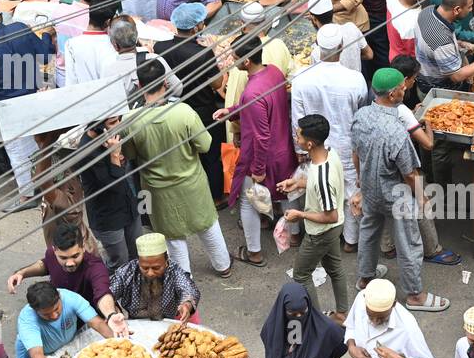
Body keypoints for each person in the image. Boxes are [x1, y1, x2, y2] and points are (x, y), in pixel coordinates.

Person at [350, 69, 449, 311]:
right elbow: (409, 174)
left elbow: (356, 152)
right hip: (395, 194)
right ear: (393, 93)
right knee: (409, 242)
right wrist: (423, 198)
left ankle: (365, 278)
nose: (405, 89)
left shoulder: (361, 116)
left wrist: (361, 183)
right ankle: (415, 295)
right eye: (402, 88)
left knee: (369, 230)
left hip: (371, 189)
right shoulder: (396, 132)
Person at [128, 60, 234, 278]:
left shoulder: (132, 120)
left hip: (157, 189)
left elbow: (130, 155)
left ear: (140, 86)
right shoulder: (184, 112)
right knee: (207, 224)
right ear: (165, 83)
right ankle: (223, 266)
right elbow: (204, 145)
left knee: (172, 236)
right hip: (191, 182)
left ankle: (184, 278)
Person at [0, 0, 56, 212]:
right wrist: (46, 34)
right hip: (33, 100)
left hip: (8, 108)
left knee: (17, 152)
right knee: (39, 144)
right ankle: (47, 185)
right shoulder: (20, 28)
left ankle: (27, 196)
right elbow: (45, 56)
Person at [289, 25, 366, 252]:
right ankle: (351, 241)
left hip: (316, 147)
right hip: (346, 144)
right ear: (342, 47)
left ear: (317, 48)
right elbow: (359, 114)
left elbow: (298, 120)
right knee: (350, 190)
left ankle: (319, 235)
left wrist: (301, 150)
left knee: (317, 187)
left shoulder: (302, 80)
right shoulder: (355, 79)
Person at [222, 39, 296, 268]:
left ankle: (254, 253)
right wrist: (232, 111)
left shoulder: (251, 91)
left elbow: (261, 136)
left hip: (264, 154)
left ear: (246, 61)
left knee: (247, 202)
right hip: (284, 147)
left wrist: (258, 170)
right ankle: (295, 235)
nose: (231, 61)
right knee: (288, 193)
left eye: (234, 57)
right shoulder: (273, 72)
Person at [153, 2, 227, 205]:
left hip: (173, 109)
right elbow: (218, 83)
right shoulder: (202, 54)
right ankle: (216, 197)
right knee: (210, 154)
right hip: (202, 110)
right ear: (196, 26)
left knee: (181, 155)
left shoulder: (160, 47)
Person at [281, 114, 351, 320]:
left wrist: (299, 214)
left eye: (299, 136)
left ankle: (316, 320)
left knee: (301, 275)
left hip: (321, 232)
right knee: (335, 269)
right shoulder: (329, 154)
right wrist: (296, 183)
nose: (296, 138)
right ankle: (342, 314)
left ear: (309, 144)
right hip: (334, 228)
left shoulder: (322, 176)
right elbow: (314, 181)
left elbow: (330, 215)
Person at [7, 222, 124, 328]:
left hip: (89, 321)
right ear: (54, 250)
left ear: (83, 247)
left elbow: (102, 292)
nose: (70, 263)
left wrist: (110, 315)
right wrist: (22, 273)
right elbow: (45, 264)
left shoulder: (95, 267)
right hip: (60, 317)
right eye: (63, 258)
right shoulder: (51, 254)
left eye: (75, 256)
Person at [79, 116, 142, 271]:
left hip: (128, 207)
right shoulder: (88, 151)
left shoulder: (109, 137)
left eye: (119, 119)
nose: (119, 125)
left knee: (138, 254)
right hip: (108, 217)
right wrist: (114, 155)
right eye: (113, 122)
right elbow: (114, 186)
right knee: (119, 260)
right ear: (98, 125)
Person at [14, 282, 111, 358]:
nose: (54, 316)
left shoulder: (70, 298)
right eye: (46, 314)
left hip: (65, 347)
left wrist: (119, 340)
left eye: (56, 309)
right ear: (35, 310)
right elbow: (36, 354)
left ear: (60, 297)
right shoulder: (27, 319)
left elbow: (97, 323)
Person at [107, 232, 201, 323]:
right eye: (145, 268)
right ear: (139, 262)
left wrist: (186, 304)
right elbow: (108, 294)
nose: (150, 273)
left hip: (170, 320)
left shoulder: (175, 271)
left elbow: (188, 289)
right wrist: (113, 310)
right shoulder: (126, 273)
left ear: (166, 262)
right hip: (137, 322)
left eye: (156, 268)